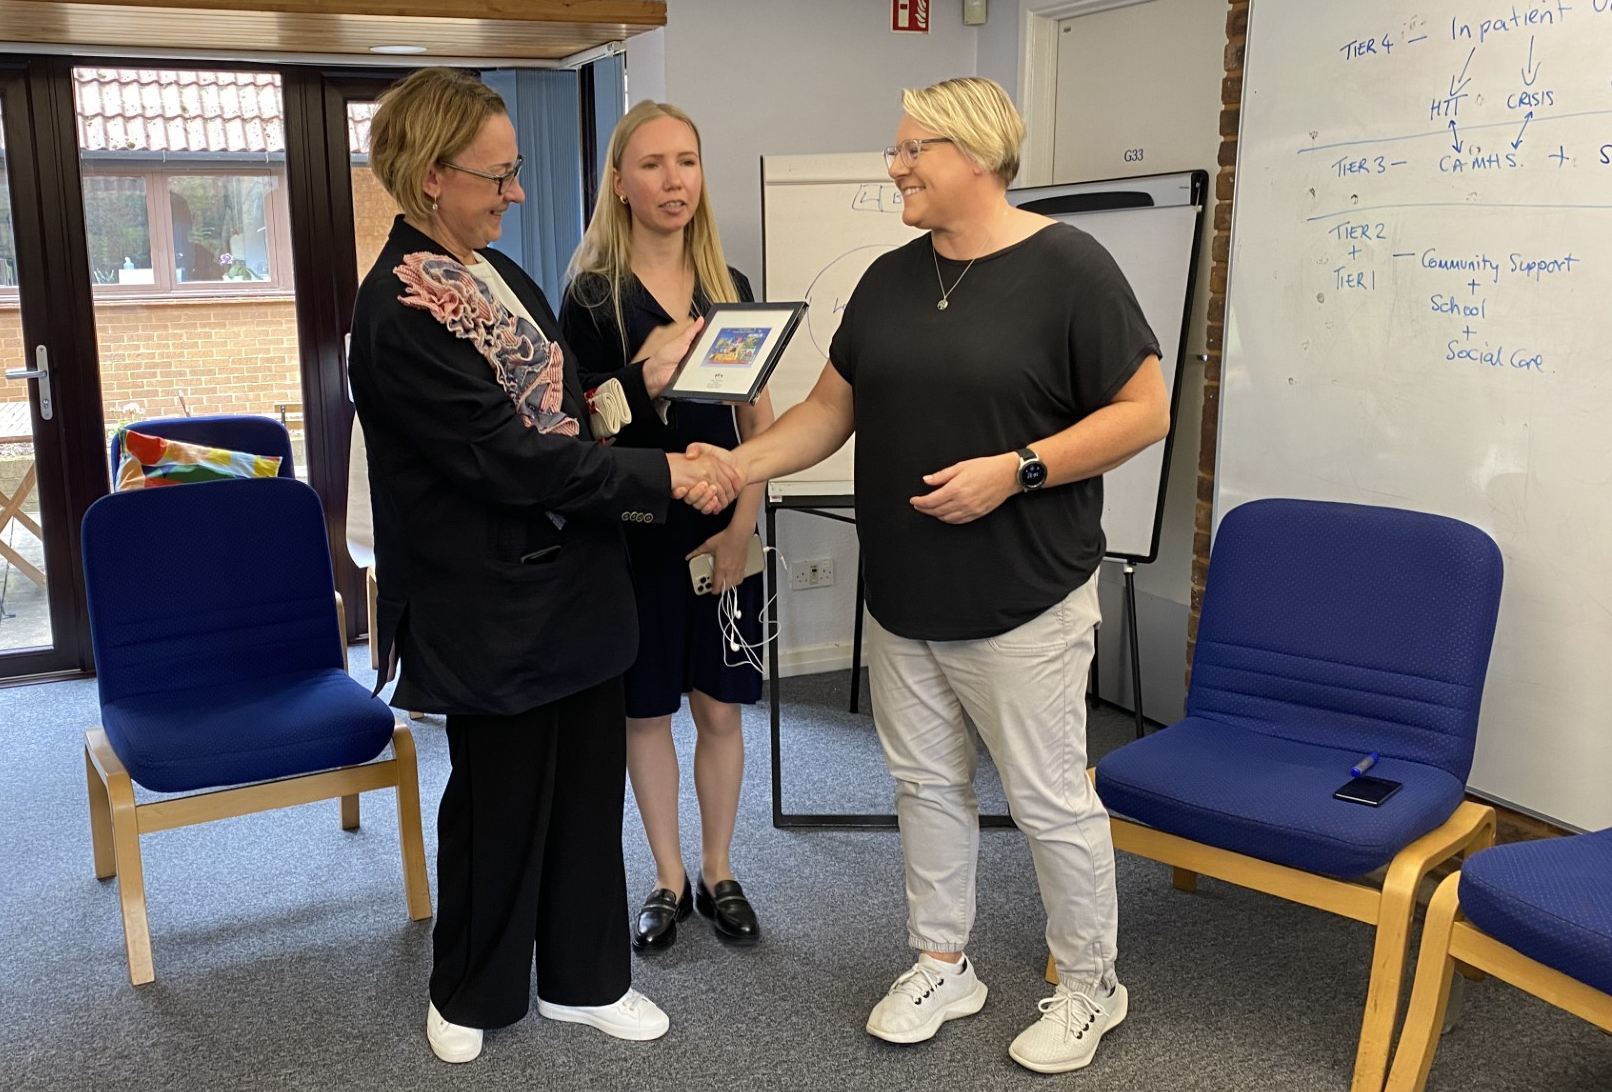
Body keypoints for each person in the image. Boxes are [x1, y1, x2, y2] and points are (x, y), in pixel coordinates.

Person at [686, 77, 1170, 1074]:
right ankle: (942, 962)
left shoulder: (1071, 268)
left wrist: (1019, 469)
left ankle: (1089, 986)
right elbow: (829, 412)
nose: (893, 165)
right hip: (904, 591)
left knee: (1046, 800)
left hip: (1025, 592)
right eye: (897, 148)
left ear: (978, 157)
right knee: (924, 789)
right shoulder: (889, 279)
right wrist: (739, 465)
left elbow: (1143, 411)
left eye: (913, 150)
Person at [346, 68, 737, 1065]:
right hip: (493, 604)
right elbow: (509, 457)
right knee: (500, 804)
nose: (516, 193)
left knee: (582, 796)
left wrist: (637, 388)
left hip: (577, 586)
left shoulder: (500, 276)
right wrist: (661, 474)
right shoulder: (397, 313)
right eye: (500, 174)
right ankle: (469, 992)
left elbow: (570, 401)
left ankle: (585, 980)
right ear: (433, 177)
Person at [559, 101, 772, 952]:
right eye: (651, 164)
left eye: (686, 161)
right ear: (620, 182)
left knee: (720, 709)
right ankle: (667, 876)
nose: (672, 179)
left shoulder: (733, 291)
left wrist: (737, 532)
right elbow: (581, 434)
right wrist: (645, 381)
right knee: (644, 713)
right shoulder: (591, 300)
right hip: (633, 539)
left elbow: (760, 427)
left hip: (725, 533)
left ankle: (719, 871)